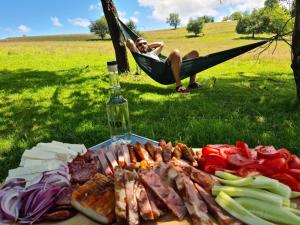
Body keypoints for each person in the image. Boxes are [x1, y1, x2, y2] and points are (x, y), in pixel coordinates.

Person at [126, 37, 201, 93]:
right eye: (139, 45)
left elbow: (161, 44)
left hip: (173, 67)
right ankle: (179, 86)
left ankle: (192, 83)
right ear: (137, 47)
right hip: (164, 72)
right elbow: (129, 42)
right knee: (175, 52)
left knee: (194, 53)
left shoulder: (153, 53)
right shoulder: (139, 55)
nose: (142, 45)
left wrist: (148, 46)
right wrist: (139, 47)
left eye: (144, 43)